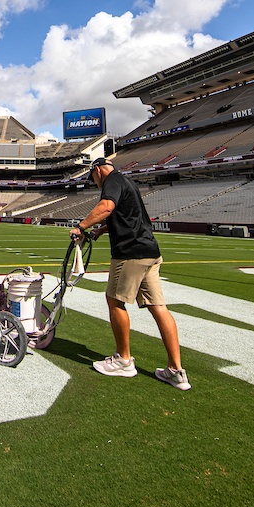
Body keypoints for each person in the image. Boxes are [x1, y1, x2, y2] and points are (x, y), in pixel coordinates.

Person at [69, 157, 190, 389]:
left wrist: (81, 227)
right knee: (159, 308)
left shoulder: (111, 182)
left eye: (93, 178)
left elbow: (107, 207)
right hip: (150, 251)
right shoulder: (128, 182)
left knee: (114, 301)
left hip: (130, 253)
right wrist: (101, 231)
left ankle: (124, 359)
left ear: (98, 171)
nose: (94, 182)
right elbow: (128, 217)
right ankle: (176, 370)